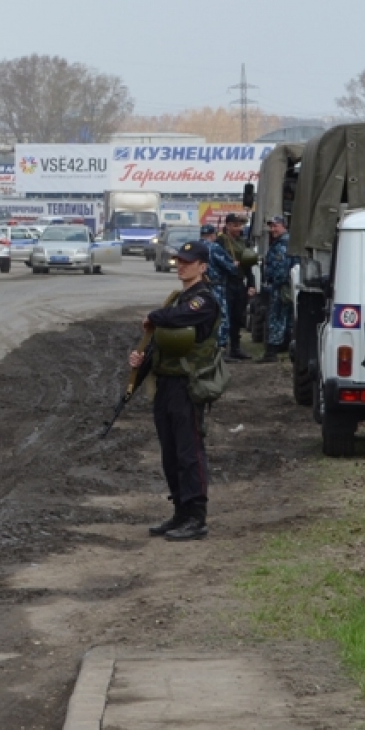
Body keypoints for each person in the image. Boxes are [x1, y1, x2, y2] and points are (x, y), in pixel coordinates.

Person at [129, 239, 221, 542]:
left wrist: (155, 316)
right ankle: (180, 511)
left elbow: (177, 320)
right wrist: (139, 364)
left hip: (188, 385)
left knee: (188, 451)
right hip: (167, 383)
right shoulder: (177, 300)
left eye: (188, 261)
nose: (181, 265)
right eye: (179, 261)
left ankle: (196, 517)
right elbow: (160, 341)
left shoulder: (203, 300)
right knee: (170, 453)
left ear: (203, 266)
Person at [198, 224, 242, 358]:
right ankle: (220, 350)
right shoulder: (214, 248)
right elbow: (231, 268)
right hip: (216, 287)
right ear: (213, 235)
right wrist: (234, 265)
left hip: (198, 288)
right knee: (222, 318)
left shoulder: (195, 247)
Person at [259, 216, 297, 364]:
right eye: (271, 226)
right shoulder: (283, 242)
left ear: (284, 226)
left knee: (277, 317)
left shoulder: (283, 244)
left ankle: (272, 351)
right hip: (285, 286)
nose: (273, 229)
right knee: (286, 318)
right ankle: (285, 348)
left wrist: (272, 282)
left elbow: (281, 270)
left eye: (276, 226)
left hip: (280, 287)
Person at [218, 213, 255, 359]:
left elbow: (248, 265)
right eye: (235, 225)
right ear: (227, 226)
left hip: (239, 282)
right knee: (225, 316)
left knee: (238, 317)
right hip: (226, 282)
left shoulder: (242, 242)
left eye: (240, 225)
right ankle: (222, 349)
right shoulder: (221, 241)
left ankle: (235, 348)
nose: (238, 228)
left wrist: (251, 284)